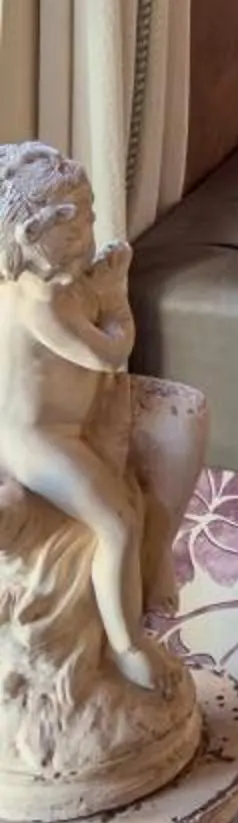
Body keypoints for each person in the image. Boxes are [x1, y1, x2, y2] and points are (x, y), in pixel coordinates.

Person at [0, 148, 156, 691]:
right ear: (27, 240)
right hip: (40, 441)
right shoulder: (42, 302)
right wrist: (116, 298)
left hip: (55, 431)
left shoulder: (46, 286)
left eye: (89, 225)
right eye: (70, 238)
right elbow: (110, 353)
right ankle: (127, 644)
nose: (86, 244)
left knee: (131, 503)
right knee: (117, 524)